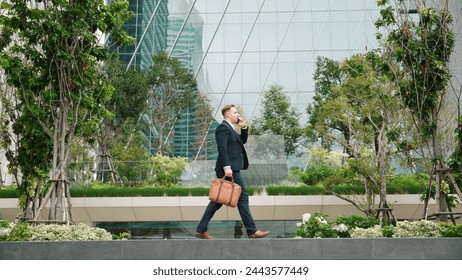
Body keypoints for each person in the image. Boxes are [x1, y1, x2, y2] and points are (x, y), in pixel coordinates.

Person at [195, 104, 270, 239]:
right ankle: (252, 230)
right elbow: (222, 149)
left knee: (218, 200)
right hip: (229, 169)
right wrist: (227, 167)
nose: (238, 115)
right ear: (227, 115)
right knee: (243, 197)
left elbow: (242, 141)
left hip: (231, 168)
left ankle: (201, 229)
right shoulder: (222, 128)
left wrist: (244, 127)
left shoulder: (231, 129)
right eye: (235, 112)